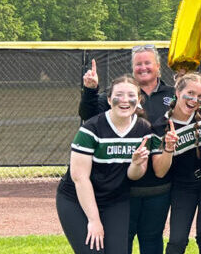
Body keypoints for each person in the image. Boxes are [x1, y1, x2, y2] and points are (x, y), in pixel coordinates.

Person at [79, 45, 174, 254]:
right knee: (122, 242)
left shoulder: (172, 95)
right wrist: (90, 90)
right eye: (138, 64)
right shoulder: (119, 96)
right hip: (123, 189)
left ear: (158, 66)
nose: (143, 68)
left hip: (158, 187)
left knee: (152, 241)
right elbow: (88, 115)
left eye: (147, 63)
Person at [57, 75, 153, 254]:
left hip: (115, 199)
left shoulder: (143, 129)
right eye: (119, 95)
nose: (125, 100)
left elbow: (134, 175)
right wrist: (94, 220)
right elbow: (80, 178)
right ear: (109, 100)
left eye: (131, 95)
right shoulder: (91, 129)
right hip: (76, 199)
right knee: (93, 251)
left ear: (139, 100)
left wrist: (136, 164)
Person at [149, 73, 201, 254]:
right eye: (190, 93)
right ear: (177, 91)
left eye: (200, 96)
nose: (194, 100)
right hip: (182, 187)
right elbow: (160, 171)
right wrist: (168, 148)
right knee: (177, 240)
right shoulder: (160, 126)